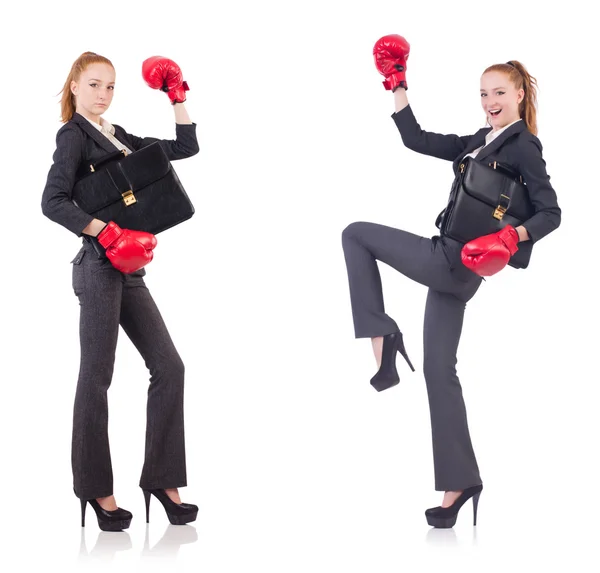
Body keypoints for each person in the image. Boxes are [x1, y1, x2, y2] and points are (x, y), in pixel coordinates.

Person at [341, 35, 561, 528]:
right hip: (459, 273)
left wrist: (511, 238)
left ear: (520, 94)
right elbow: (415, 139)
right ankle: (461, 484)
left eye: (499, 93)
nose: (490, 103)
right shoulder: (480, 140)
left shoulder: (523, 144)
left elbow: (552, 212)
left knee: (356, 234)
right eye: (483, 95)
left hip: (452, 259)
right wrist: (397, 86)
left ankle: (381, 332)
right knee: (441, 375)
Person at [41, 51, 200, 531]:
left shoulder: (116, 134)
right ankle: (96, 490)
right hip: (97, 265)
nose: (102, 95)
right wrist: (106, 233)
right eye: (93, 85)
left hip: (127, 270)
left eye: (110, 87)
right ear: (74, 86)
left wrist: (177, 95)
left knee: (169, 366)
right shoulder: (72, 136)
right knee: (97, 376)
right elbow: (52, 201)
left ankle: (161, 480)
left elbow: (185, 148)